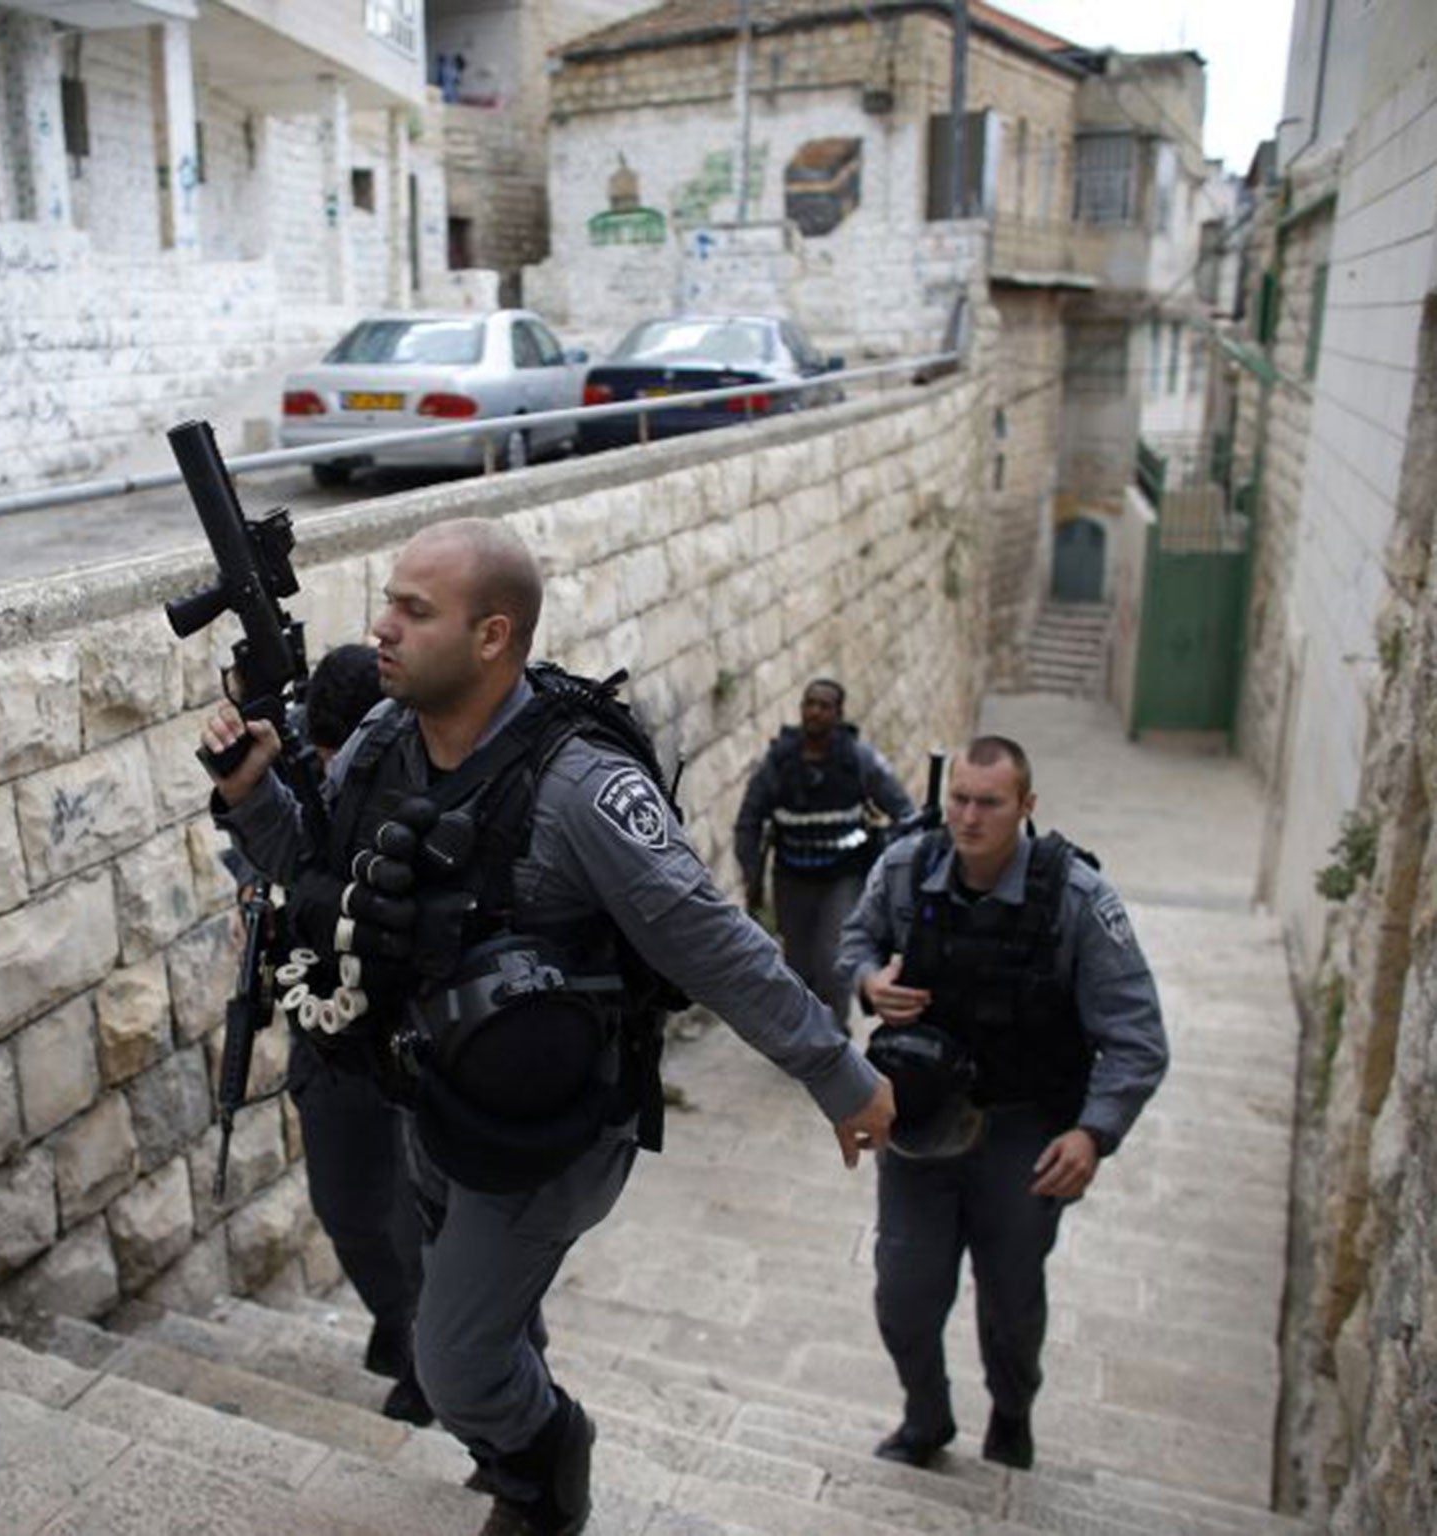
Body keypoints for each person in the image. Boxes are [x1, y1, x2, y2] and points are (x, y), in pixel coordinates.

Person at [200, 518, 895, 1534]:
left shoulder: (580, 790)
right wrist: (251, 791)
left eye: (412, 610)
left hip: (549, 1124)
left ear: (491, 637)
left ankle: (545, 1466)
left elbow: (711, 940)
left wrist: (838, 1075)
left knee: (452, 1359)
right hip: (434, 1091)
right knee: (477, 1305)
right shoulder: (387, 743)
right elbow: (310, 876)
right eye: (387, 602)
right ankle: (508, 1430)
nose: (379, 628)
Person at [836, 736, 1168, 1472]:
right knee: (904, 1293)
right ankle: (925, 1419)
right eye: (959, 798)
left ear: (1026, 806)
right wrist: (867, 982)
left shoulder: (1076, 898)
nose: (970, 817)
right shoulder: (906, 869)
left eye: (990, 802)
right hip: (921, 1128)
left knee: (1012, 1306)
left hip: (1023, 1135)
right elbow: (853, 941)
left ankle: (1012, 1415)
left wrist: (1093, 1134)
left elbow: (1139, 1038)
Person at [280, 643, 429, 1425]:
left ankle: (461, 1366)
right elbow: (264, 854)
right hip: (330, 1029)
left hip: (416, 1033)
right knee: (347, 1206)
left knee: (436, 1215)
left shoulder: (423, 777)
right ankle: (405, 1329)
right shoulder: (305, 778)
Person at [734, 678, 914, 1031]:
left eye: (823, 705)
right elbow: (748, 821)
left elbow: (904, 811)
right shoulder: (778, 761)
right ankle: (807, 1036)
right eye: (809, 703)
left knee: (833, 960)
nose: (814, 711)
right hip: (791, 877)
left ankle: (835, 1035)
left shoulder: (859, 760)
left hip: (843, 877)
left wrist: (891, 861)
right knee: (799, 967)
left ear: (839, 713)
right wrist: (751, 873)